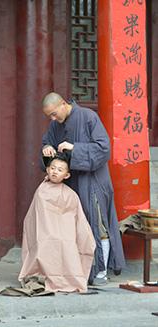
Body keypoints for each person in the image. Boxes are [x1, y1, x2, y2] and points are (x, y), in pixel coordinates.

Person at [41, 92, 125, 285]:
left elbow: (104, 149)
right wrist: (47, 149)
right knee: (75, 227)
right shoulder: (55, 125)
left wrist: (74, 148)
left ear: (63, 104)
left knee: (98, 224)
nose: (53, 119)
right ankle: (81, 269)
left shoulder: (88, 117)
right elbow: (48, 146)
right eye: (50, 116)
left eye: (54, 113)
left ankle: (100, 271)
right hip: (71, 183)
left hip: (93, 181)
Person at [19, 153, 96, 292]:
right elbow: (37, 217)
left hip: (66, 232)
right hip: (45, 232)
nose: (55, 171)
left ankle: (67, 278)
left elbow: (75, 218)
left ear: (66, 175)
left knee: (69, 242)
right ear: (47, 170)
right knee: (47, 242)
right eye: (53, 168)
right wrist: (51, 232)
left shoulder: (71, 194)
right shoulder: (41, 191)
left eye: (60, 170)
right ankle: (47, 276)